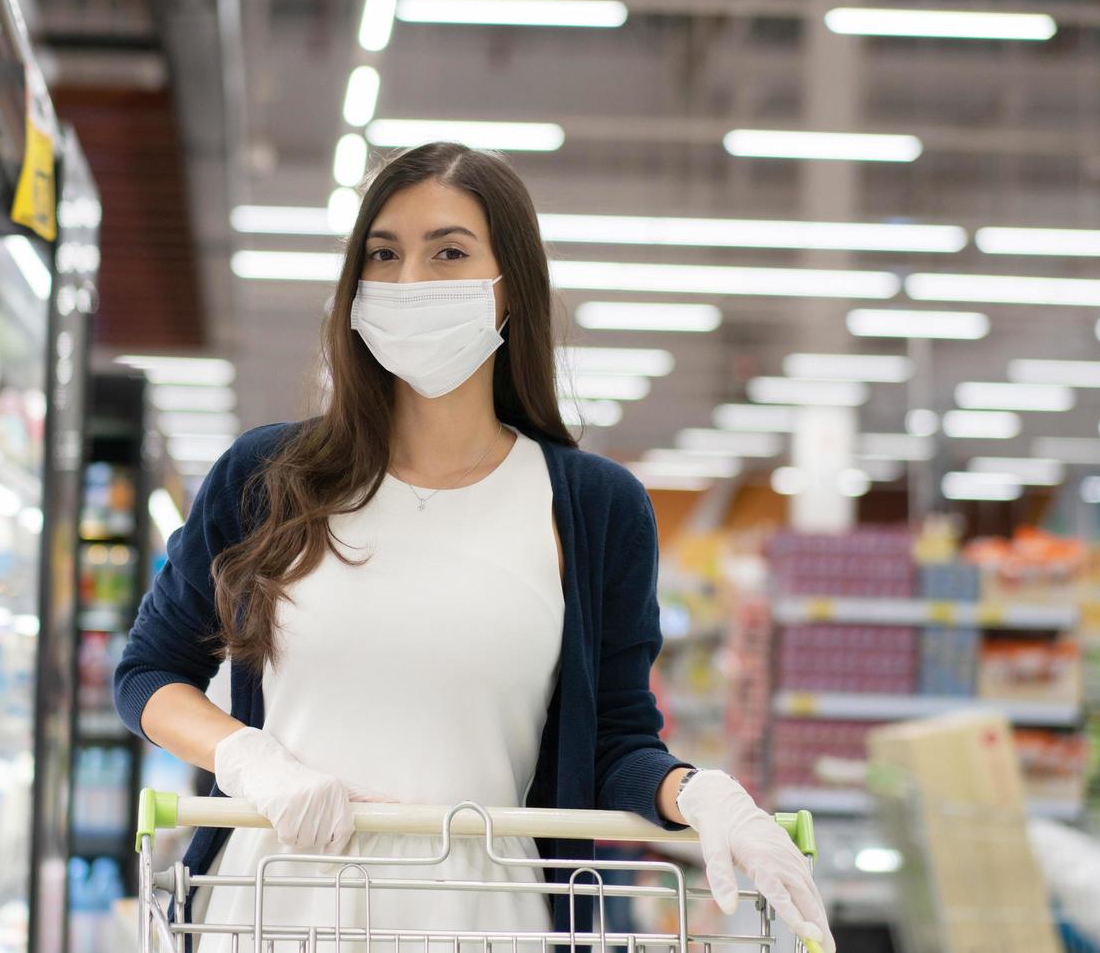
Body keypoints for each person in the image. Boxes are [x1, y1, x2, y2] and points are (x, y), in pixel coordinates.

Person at [114, 141, 834, 950]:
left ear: (509, 291)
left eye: (448, 252)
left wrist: (695, 794)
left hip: (485, 922)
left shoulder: (594, 510)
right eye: (383, 255)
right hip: (273, 912)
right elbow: (148, 672)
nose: (409, 281)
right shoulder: (269, 477)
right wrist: (247, 758)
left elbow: (611, 741)